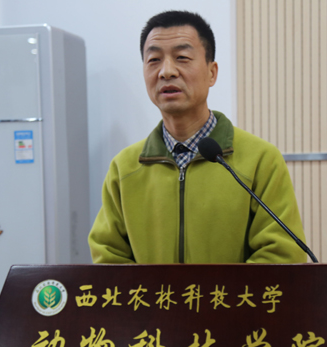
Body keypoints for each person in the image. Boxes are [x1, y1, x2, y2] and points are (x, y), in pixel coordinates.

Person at [88, 10, 308, 264]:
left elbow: (282, 255)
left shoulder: (260, 160)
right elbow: (108, 258)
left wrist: (211, 292)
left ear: (212, 73)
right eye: (154, 60)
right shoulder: (124, 168)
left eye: (182, 57)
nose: (166, 72)